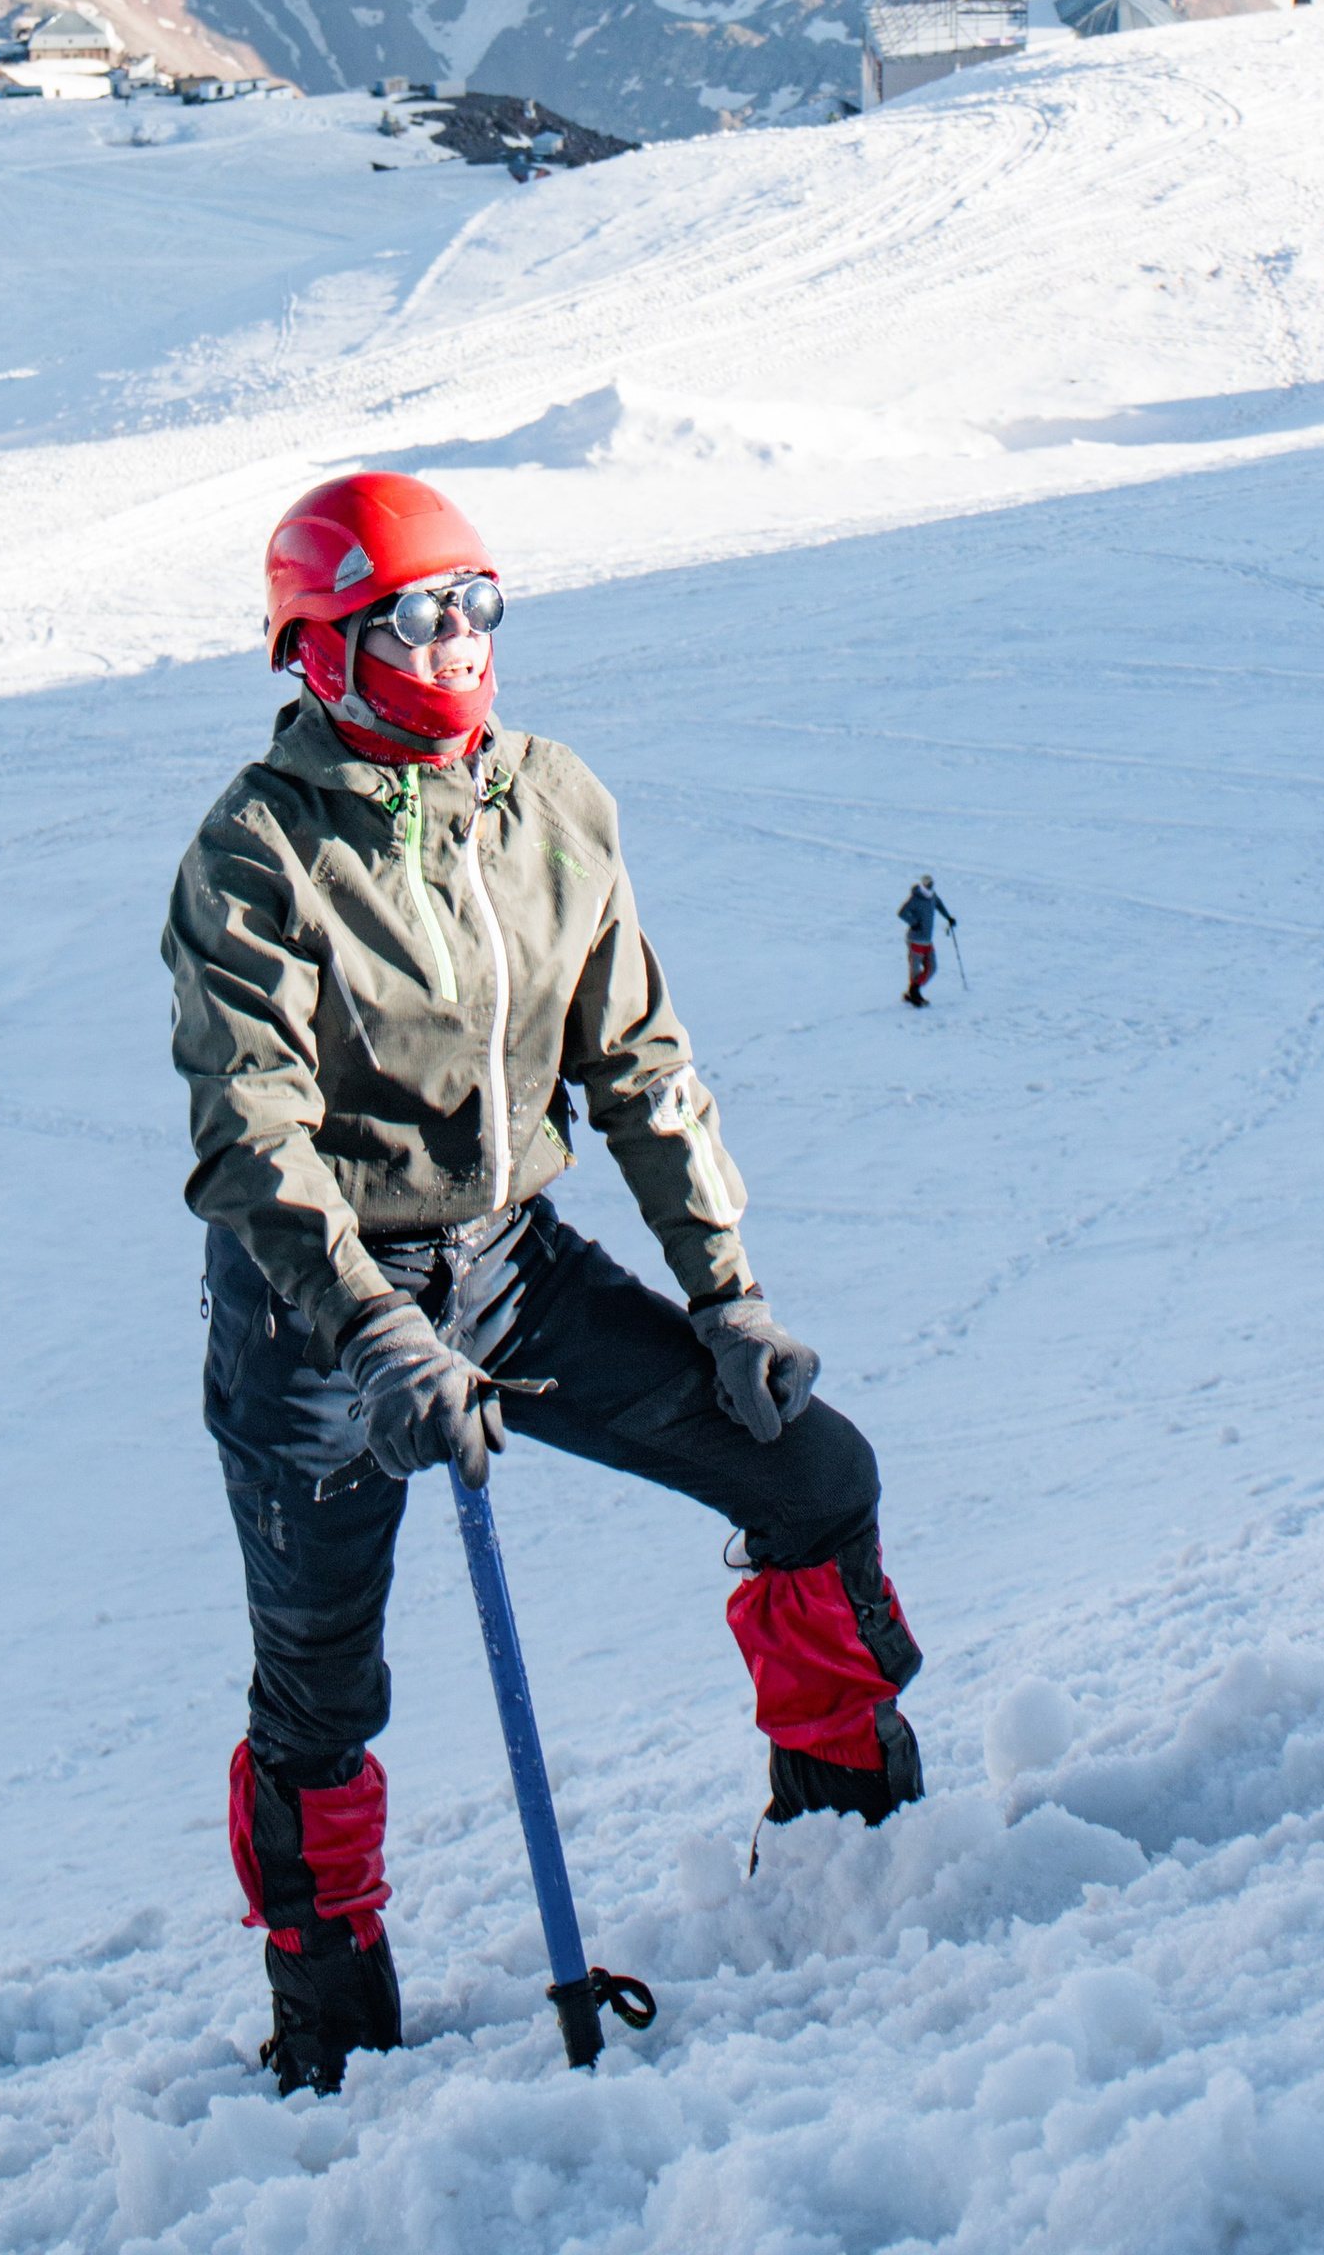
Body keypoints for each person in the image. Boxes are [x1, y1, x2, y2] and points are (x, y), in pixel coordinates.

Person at [166, 471, 924, 2094]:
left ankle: (847, 1837)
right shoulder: (260, 855)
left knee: (812, 1475)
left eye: (476, 601)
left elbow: (639, 1058)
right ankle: (331, 2027)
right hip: (322, 1320)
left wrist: (726, 1294)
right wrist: (373, 1332)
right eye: (415, 613)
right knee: (321, 1688)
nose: (458, 640)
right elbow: (251, 1136)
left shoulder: (550, 805)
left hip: (510, 1268)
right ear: (324, 649)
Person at [896, 876, 955, 1005]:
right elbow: (901, 912)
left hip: (927, 940)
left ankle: (913, 991)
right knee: (915, 970)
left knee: (932, 967)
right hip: (915, 940)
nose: (930, 886)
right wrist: (914, 923)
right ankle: (914, 994)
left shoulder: (933, 896)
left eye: (931, 884)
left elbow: (939, 905)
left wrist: (948, 917)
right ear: (922, 885)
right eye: (927, 884)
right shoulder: (915, 899)